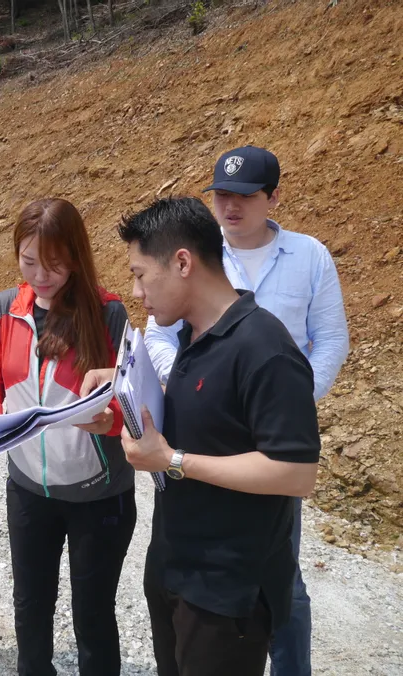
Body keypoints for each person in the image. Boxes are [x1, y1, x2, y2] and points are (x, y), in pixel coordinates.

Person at [82, 196, 321, 676]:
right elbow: (202, 418)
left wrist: (172, 460)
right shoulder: (192, 335)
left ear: (182, 263)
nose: (137, 292)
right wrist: (118, 414)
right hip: (174, 567)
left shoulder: (264, 348)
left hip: (227, 592)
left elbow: (297, 473)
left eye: (140, 274)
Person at [144, 146, 349, 676]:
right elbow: (158, 338)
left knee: (280, 577)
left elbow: (330, 339)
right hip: (207, 439)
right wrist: (181, 387)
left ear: (273, 197)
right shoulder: (199, 254)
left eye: (244, 196)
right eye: (221, 196)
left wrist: (285, 400)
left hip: (271, 435)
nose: (230, 206)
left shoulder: (307, 258)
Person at [0, 198, 136, 676]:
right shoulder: (6, 307)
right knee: (30, 604)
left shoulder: (108, 312)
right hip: (28, 488)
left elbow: (131, 400)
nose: (40, 276)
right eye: (29, 262)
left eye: (54, 264)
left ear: (76, 257)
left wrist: (109, 420)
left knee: (93, 613)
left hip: (98, 494)